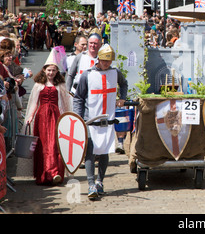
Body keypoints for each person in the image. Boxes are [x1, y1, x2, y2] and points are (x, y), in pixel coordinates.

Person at [73, 44, 128, 200]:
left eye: (109, 61)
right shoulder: (87, 75)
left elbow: (124, 83)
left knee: (104, 151)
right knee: (90, 151)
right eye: (104, 60)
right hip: (91, 120)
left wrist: (122, 97)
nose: (106, 64)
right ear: (99, 58)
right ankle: (91, 184)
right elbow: (78, 98)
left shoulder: (115, 72)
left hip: (108, 120)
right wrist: (78, 119)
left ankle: (100, 182)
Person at [24, 50, 72, 185]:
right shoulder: (38, 85)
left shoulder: (60, 85)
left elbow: (65, 103)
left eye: (53, 70)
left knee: (55, 144)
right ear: (44, 70)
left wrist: (67, 117)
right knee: (43, 145)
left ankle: (55, 172)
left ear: (57, 71)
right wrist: (30, 116)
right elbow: (33, 103)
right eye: (49, 70)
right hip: (42, 117)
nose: (51, 73)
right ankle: (44, 174)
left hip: (56, 116)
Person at [66, 29, 102, 94]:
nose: (92, 45)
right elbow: (71, 75)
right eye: (91, 43)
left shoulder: (102, 59)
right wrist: (67, 92)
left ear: (100, 45)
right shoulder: (80, 57)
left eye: (95, 43)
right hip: (78, 92)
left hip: (94, 93)